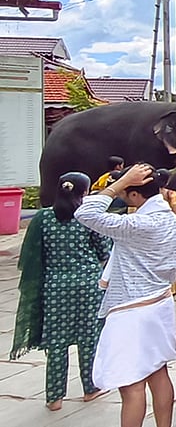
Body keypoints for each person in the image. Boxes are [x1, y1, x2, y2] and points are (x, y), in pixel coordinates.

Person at [74, 164, 176, 427]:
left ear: (134, 195)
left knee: (130, 385)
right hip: (160, 302)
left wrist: (119, 183)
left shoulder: (138, 223)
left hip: (132, 309)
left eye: (126, 193)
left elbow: (84, 212)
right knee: (158, 373)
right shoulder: (171, 219)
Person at [11, 172, 110, 411]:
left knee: (56, 342)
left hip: (55, 286)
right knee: (89, 338)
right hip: (88, 284)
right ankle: (91, 388)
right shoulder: (88, 217)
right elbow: (105, 251)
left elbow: (33, 255)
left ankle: (54, 398)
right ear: (84, 193)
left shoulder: (43, 218)